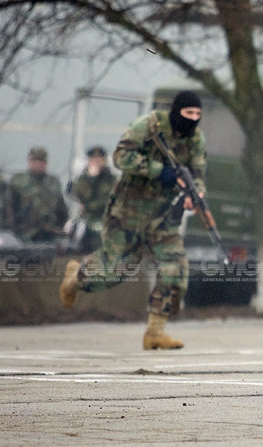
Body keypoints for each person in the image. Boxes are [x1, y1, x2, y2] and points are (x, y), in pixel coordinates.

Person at [59, 90, 207, 350]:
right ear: (177, 112)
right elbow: (120, 157)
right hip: (128, 212)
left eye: (197, 114)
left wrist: (194, 194)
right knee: (115, 271)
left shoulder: (195, 139)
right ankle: (75, 278)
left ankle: (155, 331)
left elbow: (197, 172)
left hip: (161, 215)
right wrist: (159, 171)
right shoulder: (149, 126)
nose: (193, 119)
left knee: (175, 268)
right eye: (188, 113)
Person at [7, 146, 68, 243]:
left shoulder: (53, 182)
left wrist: (58, 228)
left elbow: (62, 209)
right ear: (29, 162)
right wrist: (13, 231)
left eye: (41, 161)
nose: (38, 164)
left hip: (50, 234)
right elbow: (10, 208)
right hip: (25, 235)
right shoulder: (18, 181)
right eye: (35, 161)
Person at [67, 146, 117, 253]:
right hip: (85, 220)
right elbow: (73, 194)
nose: (97, 163)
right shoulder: (81, 180)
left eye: (100, 160)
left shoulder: (112, 180)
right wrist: (91, 177)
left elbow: (109, 201)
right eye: (93, 160)